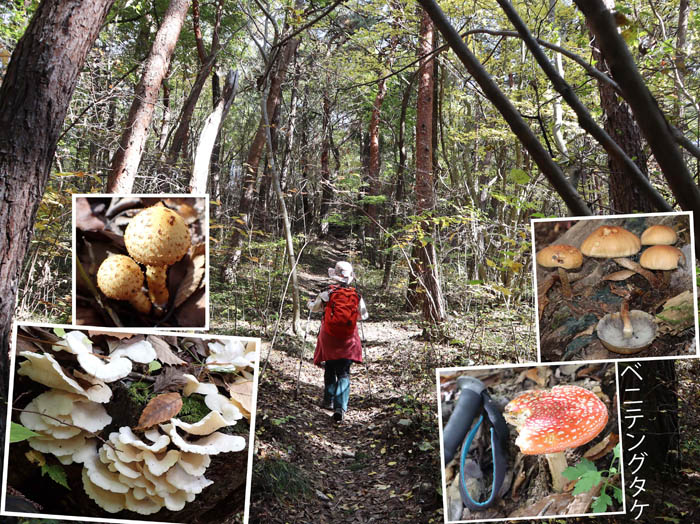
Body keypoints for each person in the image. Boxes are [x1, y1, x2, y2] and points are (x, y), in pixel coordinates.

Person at [308, 261, 368, 423]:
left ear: (334, 276)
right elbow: (364, 316)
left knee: (330, 367)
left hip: (329, 337)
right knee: (344, 372)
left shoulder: (327, 293)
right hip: (348, 339)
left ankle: (328, 400)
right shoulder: (356, 296)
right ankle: (340, 408)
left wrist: (311, 302)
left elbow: (314, 308)